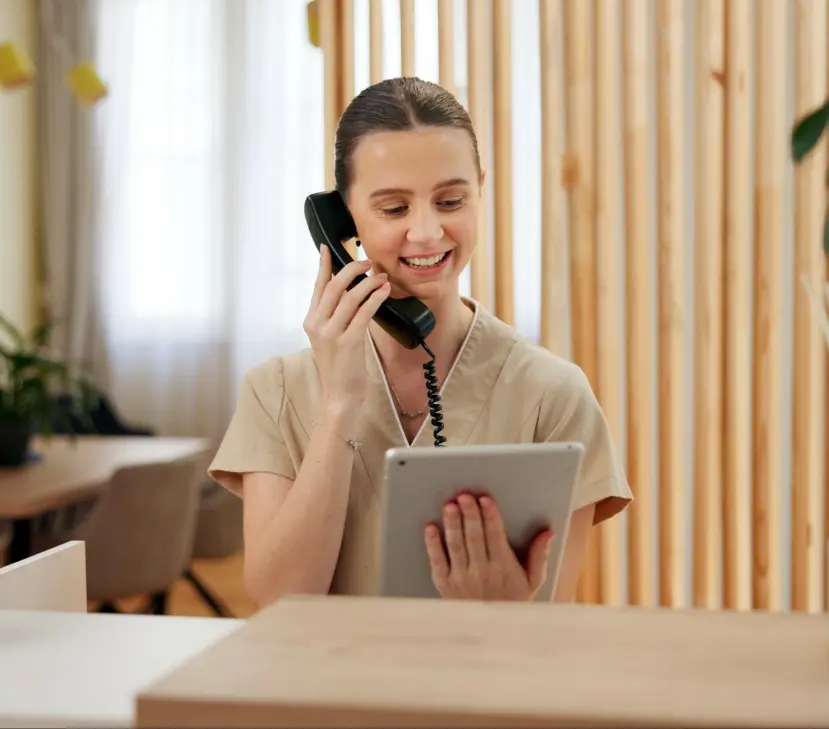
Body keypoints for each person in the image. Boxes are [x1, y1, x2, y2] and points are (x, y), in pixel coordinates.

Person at [208, 77, 632, 608]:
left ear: (480, 191)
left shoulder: (554, 395)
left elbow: (554, 622)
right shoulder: (275, 390)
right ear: (343, 218)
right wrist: (339, 404)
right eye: (394, 209)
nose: (428, 232)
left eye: (451, 201)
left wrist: (507, 611)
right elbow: (277, 601)